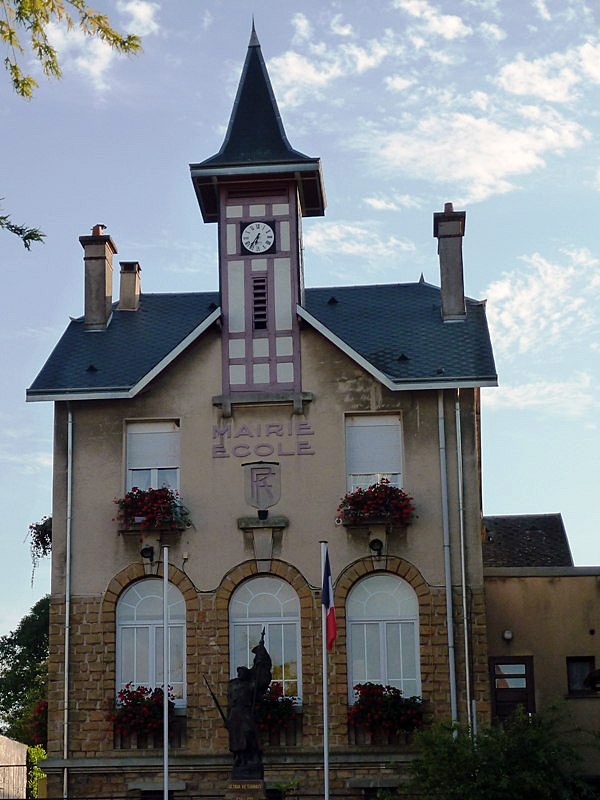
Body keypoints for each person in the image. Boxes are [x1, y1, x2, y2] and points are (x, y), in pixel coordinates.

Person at [226, 630, 272, 779]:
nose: (240, 674)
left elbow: (261, 679)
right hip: (235, 714)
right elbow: (230, 701)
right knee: (236, 737)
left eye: (242, 672)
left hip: (245, 712)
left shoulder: (251, 684)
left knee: (248, 733)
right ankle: (240, 758)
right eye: (238, 672)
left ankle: (250, 757)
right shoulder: (232, 685)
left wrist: (260, 659)